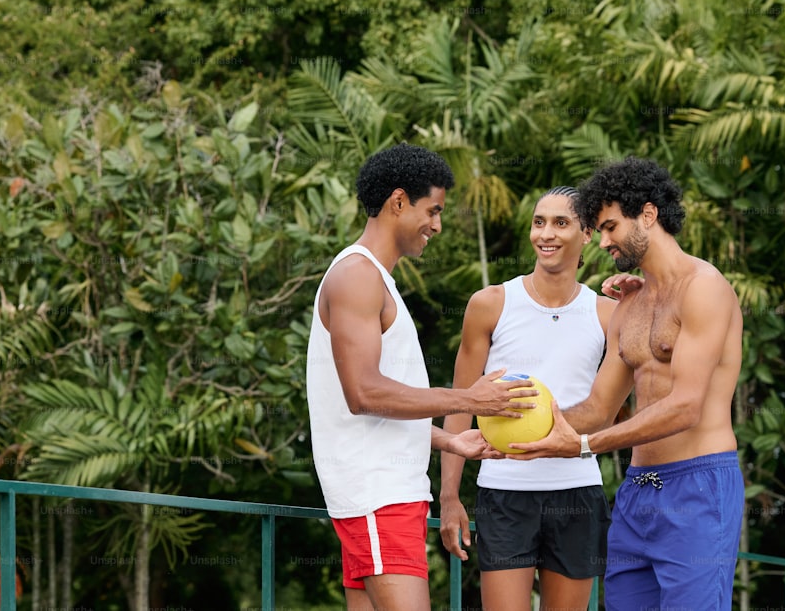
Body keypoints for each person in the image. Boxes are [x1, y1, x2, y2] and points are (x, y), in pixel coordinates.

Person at [306, 142, 537, 611]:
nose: (435, 224)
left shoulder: (377, 280)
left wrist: (450, 442)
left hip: (387, 496)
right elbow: (363, 393)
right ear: (397, 202)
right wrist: (469, 400)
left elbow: (380, 405)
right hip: (377, 496)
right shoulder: (357, 276)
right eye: (432, 211)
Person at [507, 157, 745, 611]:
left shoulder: (704, 288)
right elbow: (597, 407)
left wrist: (583, 446)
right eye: (599, 229)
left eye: (611, 227)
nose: (603, 241)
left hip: (698, 488)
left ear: (649, 215)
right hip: (638, 490)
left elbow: (685, 406)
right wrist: (519, 430)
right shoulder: (629, 304)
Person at [439, 186, 617, 611]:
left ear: (588, 233)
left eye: (561, 222)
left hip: (577, 490)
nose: (546, 234)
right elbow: (459, 405)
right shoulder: (490, 303)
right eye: (539, 222)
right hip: (504, 492)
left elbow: (618, 402)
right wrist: (448, 496)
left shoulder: (608, 313)